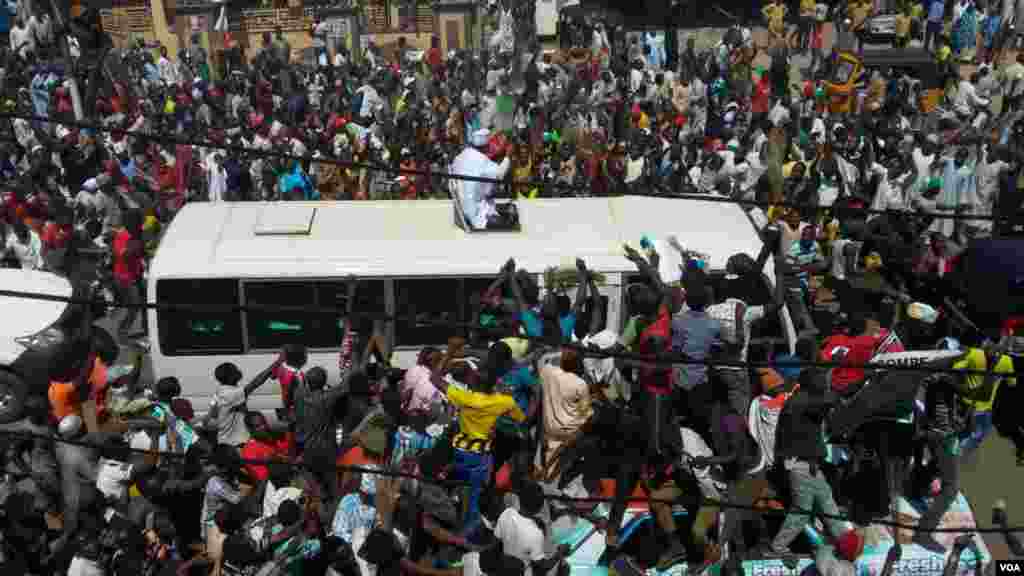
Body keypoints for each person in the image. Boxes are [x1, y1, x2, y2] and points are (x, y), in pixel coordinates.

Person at [450, 128, 512, 230]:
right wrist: (508, 156)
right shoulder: (482, 161)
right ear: (486, 146)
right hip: (477, 214)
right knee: (511, 219)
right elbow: (500, 174)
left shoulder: (460, 156)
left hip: (463, 209)